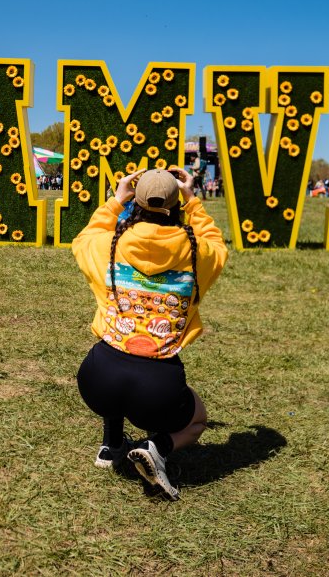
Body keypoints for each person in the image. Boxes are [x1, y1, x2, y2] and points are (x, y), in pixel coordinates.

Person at [72, 167, 228, 500]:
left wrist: (116, 199)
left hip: (97, 379)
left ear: (136, 202)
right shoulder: (197, 253)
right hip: (157, 390)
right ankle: (156, 447)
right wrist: (192, 199)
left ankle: (112, 445)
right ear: (175, 205)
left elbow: (85, 239)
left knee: (119, 358)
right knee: (197, 419)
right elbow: (217, 245)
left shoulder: (109, 245)